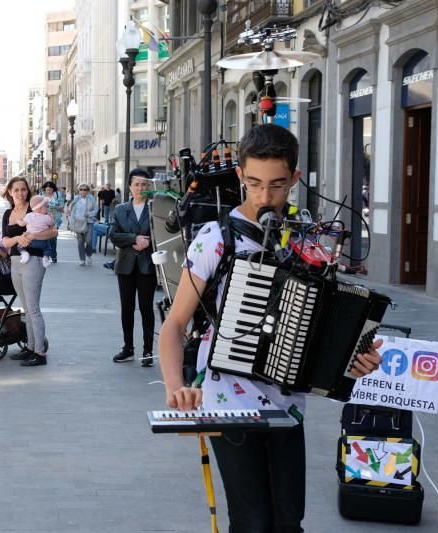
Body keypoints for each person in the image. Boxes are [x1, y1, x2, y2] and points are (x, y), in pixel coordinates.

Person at [158, 124, 382, 531]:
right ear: (241, 175)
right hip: (228, 401)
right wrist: (176, 385)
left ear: (294, 180)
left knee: (288, 522)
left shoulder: (308, 243)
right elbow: (174, 325)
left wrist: (355, 358)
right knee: (251, 522)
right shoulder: (216, 238)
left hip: (288, 407)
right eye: (255, 183)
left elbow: (321, 334)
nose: (265, 196)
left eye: (277, 185)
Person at [1, 177, 58, 366]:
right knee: (26, 309)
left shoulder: (35, 207)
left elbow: (53, 231)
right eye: (16, 189)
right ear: (10, 192)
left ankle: (40, 353)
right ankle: (31, 348)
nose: (20, 193)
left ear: (28, 191)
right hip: (15, 261)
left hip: (34, 260)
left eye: (23, 189)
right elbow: (5, 242)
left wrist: (33, 235)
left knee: (33, 308)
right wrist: (18, 238)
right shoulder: (8, 213)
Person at [110, 169, 157, 366]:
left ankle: (148, 352)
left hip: (147, 265)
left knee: (146, 308)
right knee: (127, 309)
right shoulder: (120, 209)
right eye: (137, 184)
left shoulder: (156, 208)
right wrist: (133, 239)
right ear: (129, 187)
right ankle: (128, 348)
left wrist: (148, 242)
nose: (140, 188)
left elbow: (165, 234)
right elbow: (114, 235)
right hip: (125, 266)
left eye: (144, 184)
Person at [15, 194, 54, 269]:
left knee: (19, 245)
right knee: (48, 248)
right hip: (42, 241)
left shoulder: (29, 216)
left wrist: (17, 220)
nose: (47, 208)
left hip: (29, 241)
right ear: (40, 208)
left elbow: (22, 224)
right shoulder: (46, 217)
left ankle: (24, 253)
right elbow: (52, 224)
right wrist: (51, 217)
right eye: (46, 206)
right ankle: (45, 258)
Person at [67, 183, 98, 266]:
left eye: (85, 189)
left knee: (88, 240)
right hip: (78, 222)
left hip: (89, 221)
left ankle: (88, 255)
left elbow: (96, 209)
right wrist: (69, 213)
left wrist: (89, 214)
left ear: (88, 191)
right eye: (81, 189)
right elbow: (70, 207)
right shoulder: (76, 199)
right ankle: (82, 259)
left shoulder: (91, 199)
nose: (83, 191)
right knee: (80, 241)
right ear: (79, 191)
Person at [42, 180, 64, 262]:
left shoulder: (57, 195)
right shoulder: (41, 196)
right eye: (47, 190)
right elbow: (37, 205)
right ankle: (46, 255)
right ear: (45, 189)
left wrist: (53, 205)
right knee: (45, 238)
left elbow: (61, 205)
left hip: (55, 220)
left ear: (53, 190)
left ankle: (54, 255)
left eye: (50, 190)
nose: (49, 191)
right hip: (43, 220)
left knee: (53, 239)